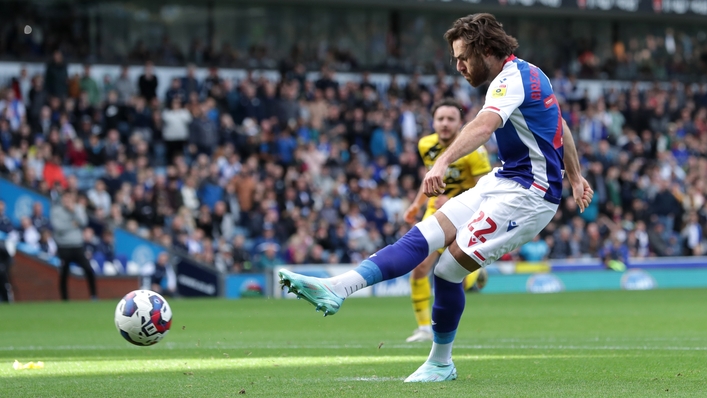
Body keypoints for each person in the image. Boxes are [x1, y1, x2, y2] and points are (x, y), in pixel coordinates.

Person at [279, 13, 593, 383]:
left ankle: (441, 363)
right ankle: (338, 287)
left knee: (447, 270)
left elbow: (483, 125)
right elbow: (561, 127)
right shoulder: (531, 73)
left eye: (463, 57)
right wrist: (574, 175)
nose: (458, 66)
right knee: (423, 236)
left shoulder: (511, 80)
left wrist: (442, 161)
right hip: (505, 179)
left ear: (487, 50)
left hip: (529, 195)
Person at [402, 98, 492, 343]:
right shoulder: (425, 145)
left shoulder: (475, 150)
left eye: (451, 119)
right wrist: (416, 204)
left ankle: (473, 277)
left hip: (464, 213)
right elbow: (430, 178)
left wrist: (453, 199)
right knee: (420, 268)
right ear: (433, 122)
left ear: (460, 123)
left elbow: (486, 187)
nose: (445, 123)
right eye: (440, 119)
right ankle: (422, 328)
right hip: (434, 211)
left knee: (451, 274)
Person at [50, 191, 97, 301]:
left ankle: (94, 295)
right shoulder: (56, 210)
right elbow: (58, 227)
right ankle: (65, 299)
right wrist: (73, 224)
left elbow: (84, 222)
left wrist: (73, 212)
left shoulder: (78, 209)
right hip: (63, 246)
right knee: (64, 274)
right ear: (62, 199)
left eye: (69, 198)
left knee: (88, 269)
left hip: (77, 245)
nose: (67, 201)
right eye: (65, 198)